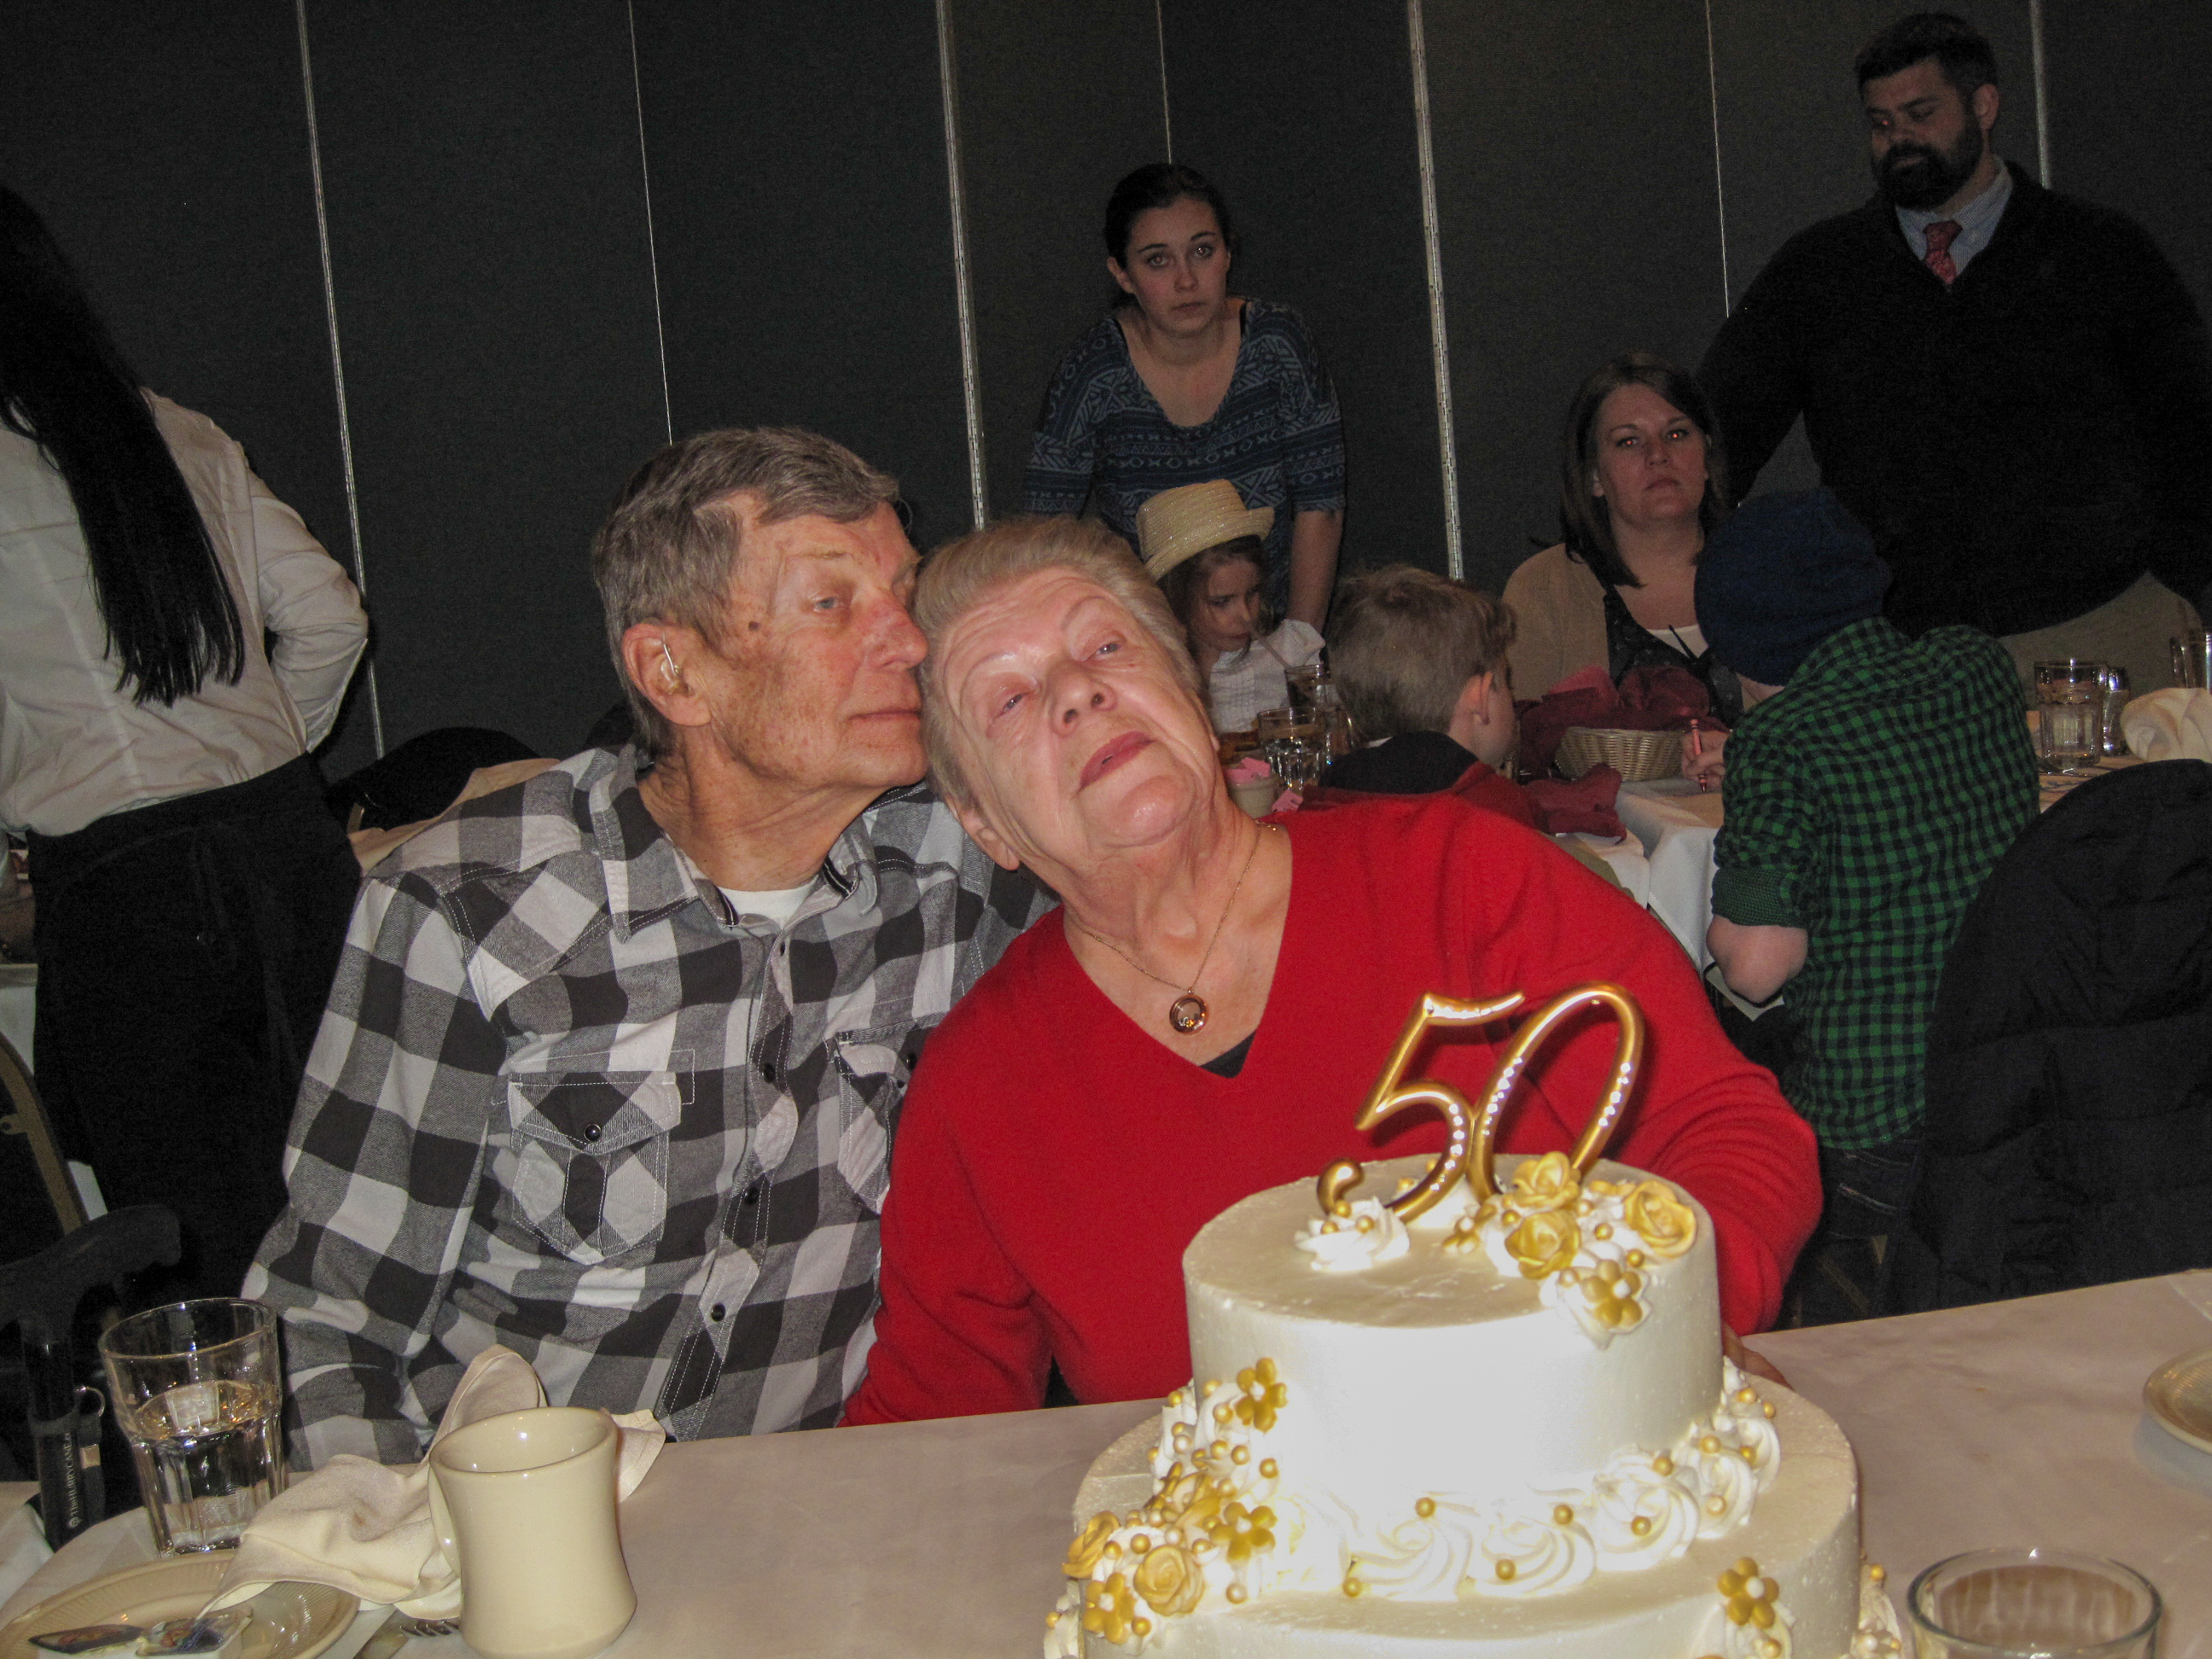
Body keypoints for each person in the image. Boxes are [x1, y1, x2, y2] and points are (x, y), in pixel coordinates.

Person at [841, 515, 1819, 1423]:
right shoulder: (983, 1086)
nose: (1077, 693)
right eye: (1010, 699)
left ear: (1192, 694)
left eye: (1105, 649)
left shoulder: (1460, 881)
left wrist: (1665, 1328)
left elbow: (1725, 1136)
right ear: (983, 822)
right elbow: (931, 1425)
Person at [248, 428, 1050, 1465]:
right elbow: (330, 1326)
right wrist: (423, 1547)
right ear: (673, 671)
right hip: (520, 1516)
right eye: (831, 602)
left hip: (821, 1513)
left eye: (905, 594)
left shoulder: (959, 867)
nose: (909, 642)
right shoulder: (470, 914)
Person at [0, 187, 368, 1294]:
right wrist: (262, 766)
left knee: (197, 1244)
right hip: (292, 853)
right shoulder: (176, 428)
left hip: (132, 892)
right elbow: (332, 619)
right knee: (354, 1205)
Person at [1697, 12, 2212, 693]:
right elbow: (1712, 434)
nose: (1898, 140)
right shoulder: (1820, 272)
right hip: (1903, 652)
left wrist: (2184, 578)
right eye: (1880, 123)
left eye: (1920, 114)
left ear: (1985, 105)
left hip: (2096, 630)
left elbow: (2190, 429)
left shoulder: (2101, 253)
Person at [1680, 489, 2036, 1326]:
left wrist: (1758, 768)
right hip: (2002, 1088)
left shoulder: (1783, 743)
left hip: (1870, 1133)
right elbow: (1884, 743)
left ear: (1739, 646)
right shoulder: (1976, 667)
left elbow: (1757, 969)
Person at [1024, 163, 1346, 629]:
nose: (1186, 280)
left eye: (1202, 251)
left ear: (1228, 253)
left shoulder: (1278, 344)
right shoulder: (1093, 373)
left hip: (1269, 626)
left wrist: (1298, 648)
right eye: (1158, 260)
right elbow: (1044, 536)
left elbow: (1321, 506)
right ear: (1123, 274)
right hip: (1151, 637)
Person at [1504, 352, 1741, 724]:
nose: (1658, 455)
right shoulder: (1544, 588)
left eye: (1677, 434)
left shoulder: (1771, 571)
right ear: (1594, 477)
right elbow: (1514, 742)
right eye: (1629, 441)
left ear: (1707, 457)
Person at [1322, 565, 1524, 818]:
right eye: (1507, 683)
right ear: (1479, 698)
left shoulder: (1321, 803)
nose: (1512, 696)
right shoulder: (1504, 815)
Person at [1136, 478, 1320, 734]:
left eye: (1253, 593)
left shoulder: (1292, 651)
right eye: (1222, 602)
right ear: (1176, 598)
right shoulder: (1156, 673)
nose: (1245, 615)